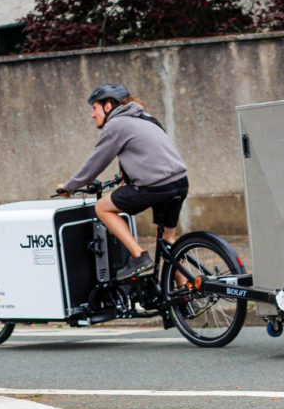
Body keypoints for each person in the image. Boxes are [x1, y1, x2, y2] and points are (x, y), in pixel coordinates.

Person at [57, 83, 189, 280]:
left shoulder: (116, 124)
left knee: (102, 207)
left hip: (155, 187)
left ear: (108, 106)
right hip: (180, 182)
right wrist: (125, 177)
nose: (93, 115)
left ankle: (138, 256)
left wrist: (70, 186)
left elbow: (96, 163)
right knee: (168, 240)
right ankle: (185, 293)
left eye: (94, 108)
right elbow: (147, 151)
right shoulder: (145, 118)